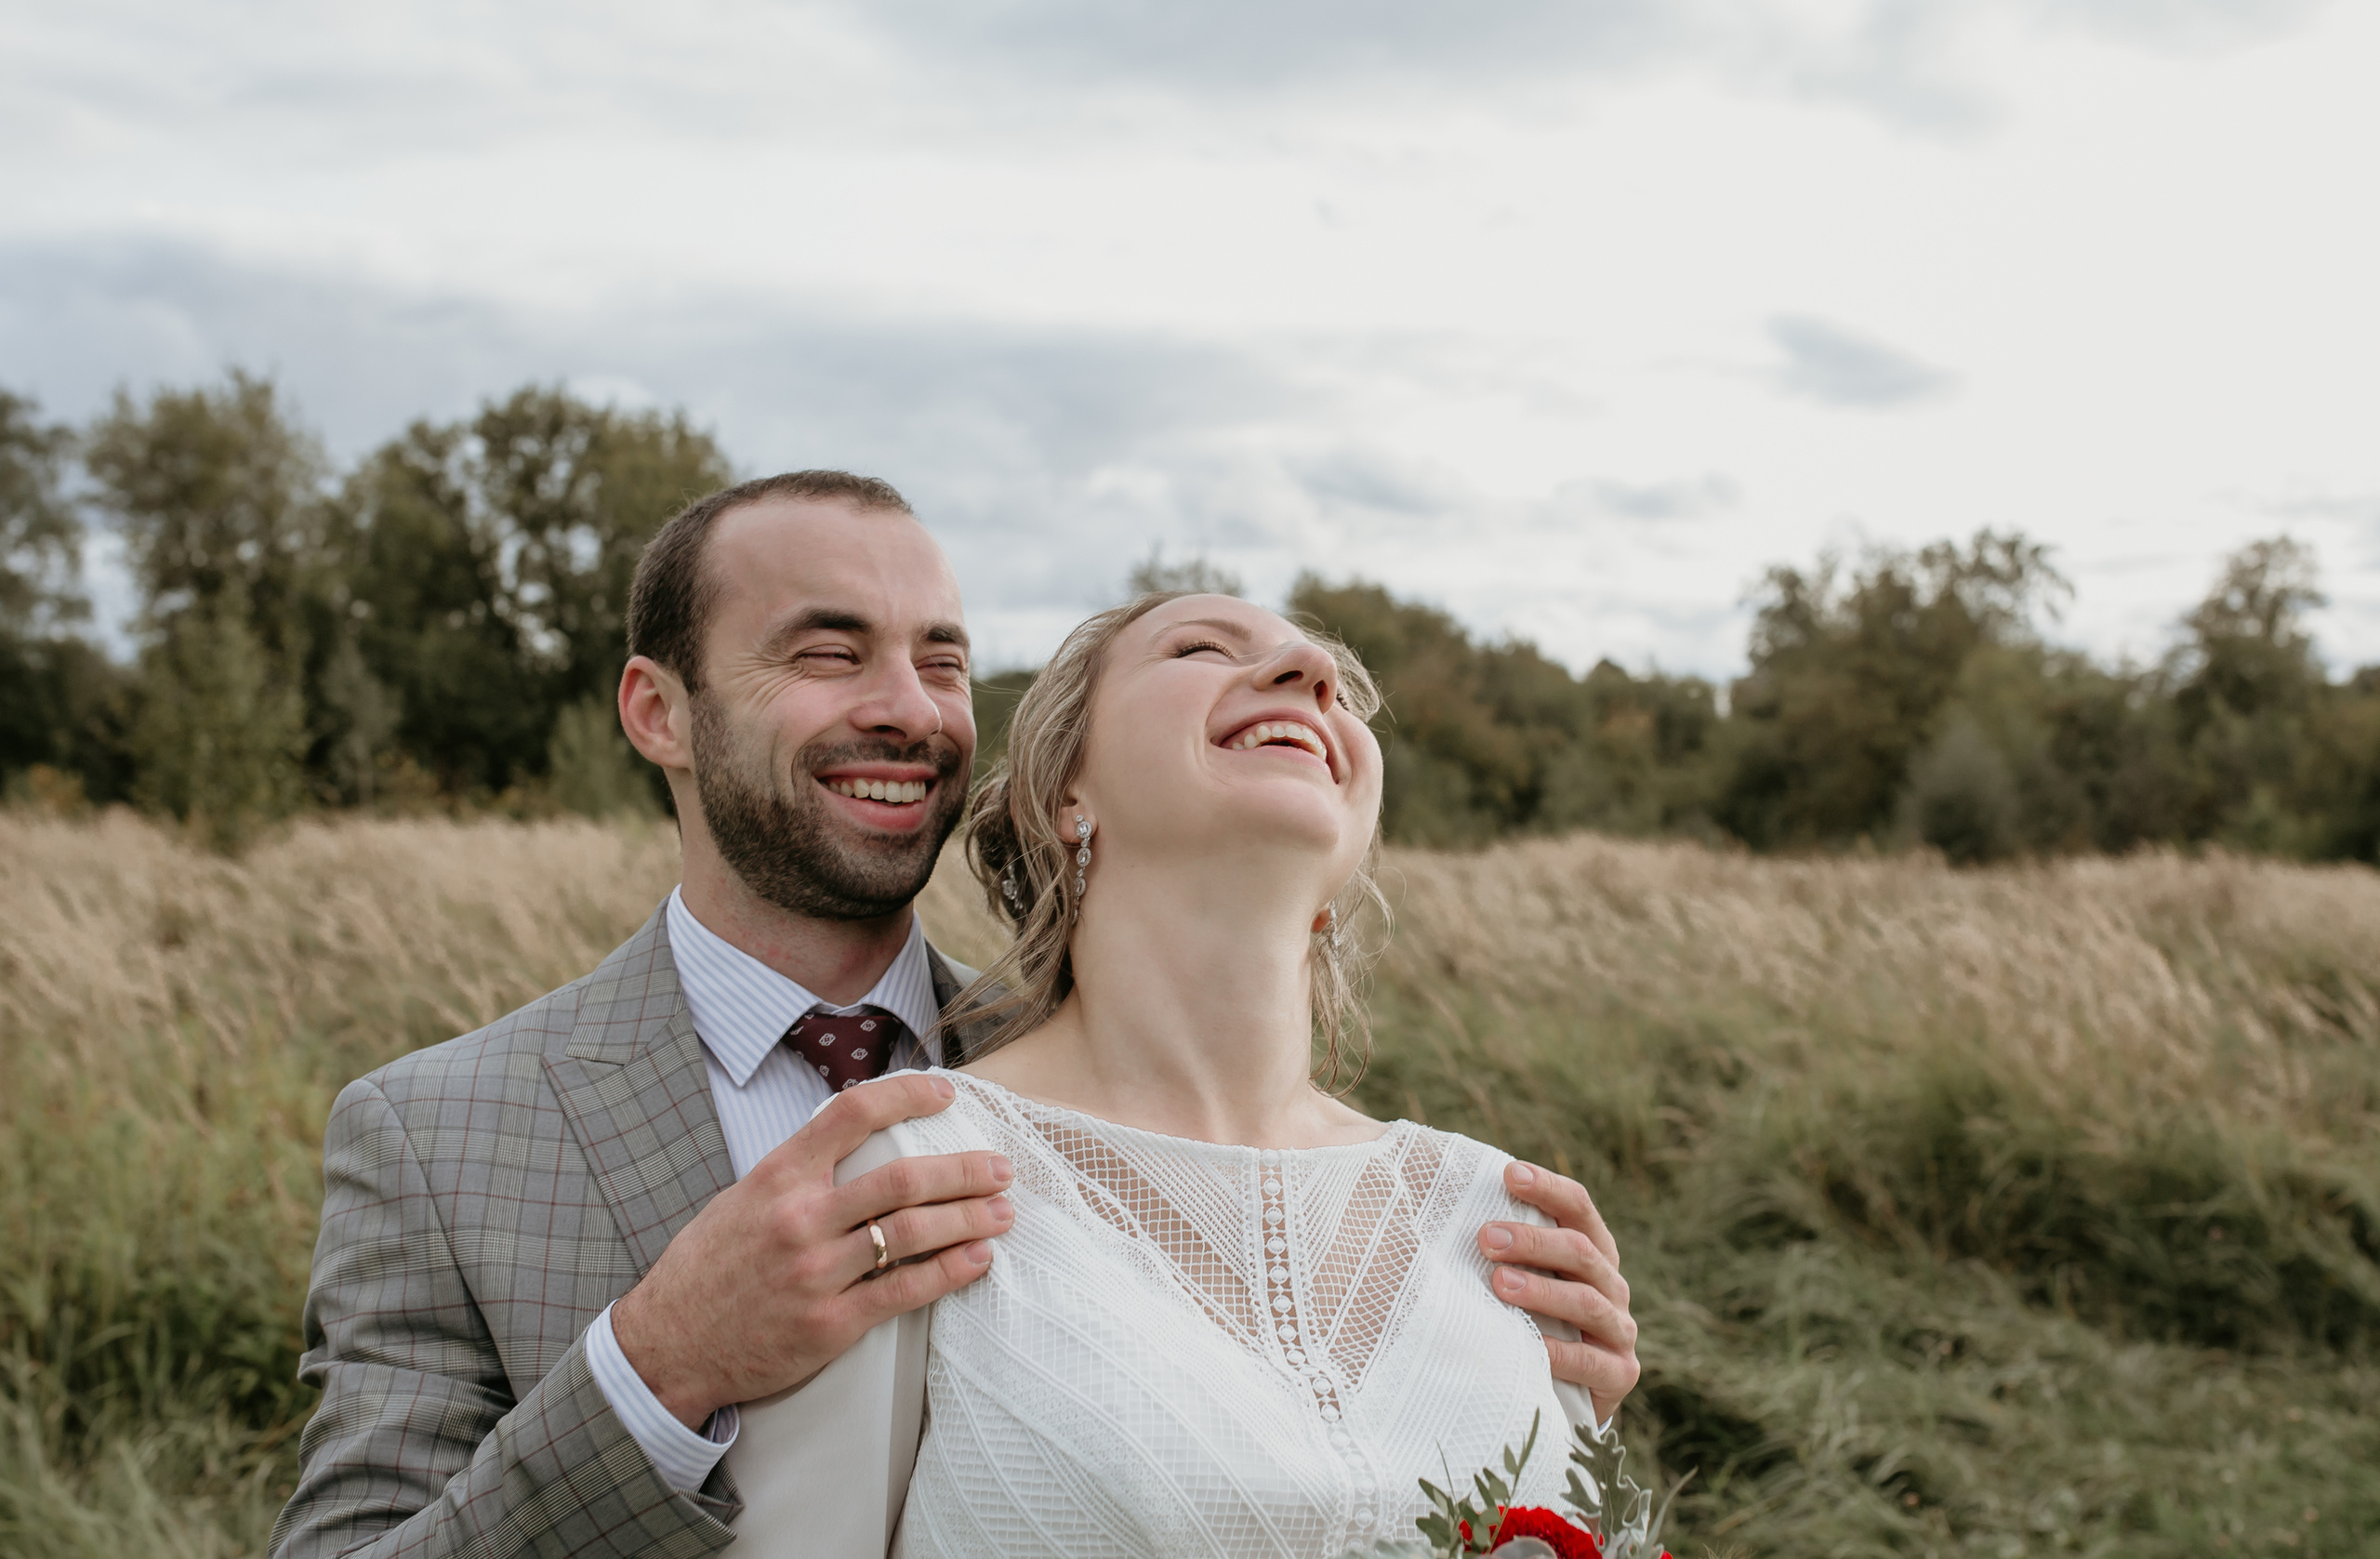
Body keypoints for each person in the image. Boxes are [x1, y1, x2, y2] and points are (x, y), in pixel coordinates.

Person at [272, 472, 1637, 1559]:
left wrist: (1513, 1382)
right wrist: (657, 1364)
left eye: (943, 658)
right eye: (830, 650)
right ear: (657, 710)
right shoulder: (433, 1133)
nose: (908, 709)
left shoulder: (1115, 1080)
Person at [732, 590, 1641, 1558]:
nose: (1312, 678)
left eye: (1332, 683)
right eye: (1201, 648)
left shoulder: (1498, 1219)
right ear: (1064, 794)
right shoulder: (913, 1173)